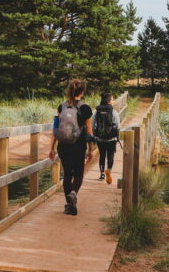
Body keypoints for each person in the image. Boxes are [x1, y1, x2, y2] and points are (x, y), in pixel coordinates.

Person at [49, 79, 95, 216]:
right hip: (78, 145)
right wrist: (90, 149)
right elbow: (89, 131)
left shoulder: (61, 107)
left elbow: (55, 129)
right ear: (82, 92)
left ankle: (70, 206)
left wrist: (51, 148)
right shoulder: (85, 108)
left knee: (67, 174)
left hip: (63, 146)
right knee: (79, 173)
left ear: (69, 90)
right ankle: (74, 193)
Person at [93, 93, 120, 185]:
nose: (113, 101)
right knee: (110, 156)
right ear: (109, 101)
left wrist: (95, 136)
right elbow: (117, 125)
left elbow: (94, 125)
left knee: (102, 155)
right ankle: (108, 170)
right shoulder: (114, 112)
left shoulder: (97, 111)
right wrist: (117, 136)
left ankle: (102, 174)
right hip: (111, 138)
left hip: (100, 138)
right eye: (112, 99)